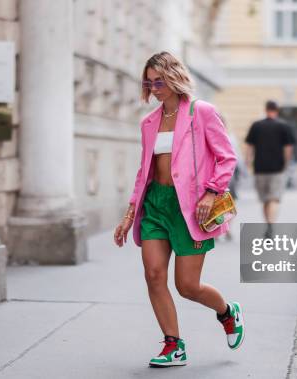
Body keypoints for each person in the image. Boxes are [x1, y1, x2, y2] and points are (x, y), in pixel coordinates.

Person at [112, 51, 243, 368]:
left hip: (191, 208)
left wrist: (212, 193)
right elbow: (144, 172)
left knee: (188, 286)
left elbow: (227, 158)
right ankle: (174, 345)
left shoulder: (202, 113)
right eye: (149, 82)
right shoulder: (149, 123)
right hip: (155, 204)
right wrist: (130, 214)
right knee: (154, 275)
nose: (154, 88)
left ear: (173, 77)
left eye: (159, 81)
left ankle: (227, 312)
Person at [244, 100, 296, 235]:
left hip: (260, 168)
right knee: (274, 198)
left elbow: (249, 146)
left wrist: (248, 161)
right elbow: (288, 148)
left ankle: (268, 223)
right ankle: (271, 225)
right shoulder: (284, 126)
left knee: (265, 199)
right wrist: (286, 164)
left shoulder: (256, 125)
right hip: (277, 169)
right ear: (276, 110)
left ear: (266, 109)